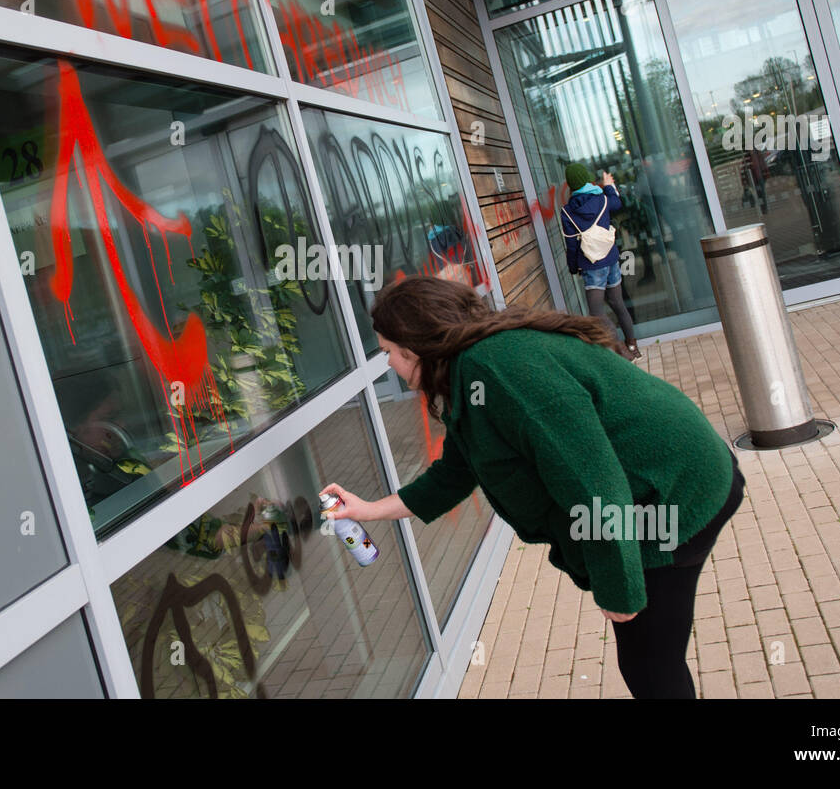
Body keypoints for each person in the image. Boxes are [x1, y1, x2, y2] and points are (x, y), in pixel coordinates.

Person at [320, 276, 747, 699]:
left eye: (389, 353)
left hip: (675, 495)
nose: (389, 365)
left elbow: (590, 481)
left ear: (416, 347)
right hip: (657, 488)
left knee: (649, 664)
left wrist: (619, 585)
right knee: (650, 659)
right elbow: (453, 473)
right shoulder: (471, 373)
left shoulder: (498, 369)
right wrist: (369, 509)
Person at [560, 162, 640, 360]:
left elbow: (572, 246)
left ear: (570, 185)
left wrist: (573, 267)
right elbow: (617, 203)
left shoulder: (567, 212)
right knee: (618, 304)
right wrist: (609, 185)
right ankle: (632, 347)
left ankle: (621, 350)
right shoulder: (603, 199)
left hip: (591, 265)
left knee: (597, 313)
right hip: (611, 259)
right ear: (588, 179)